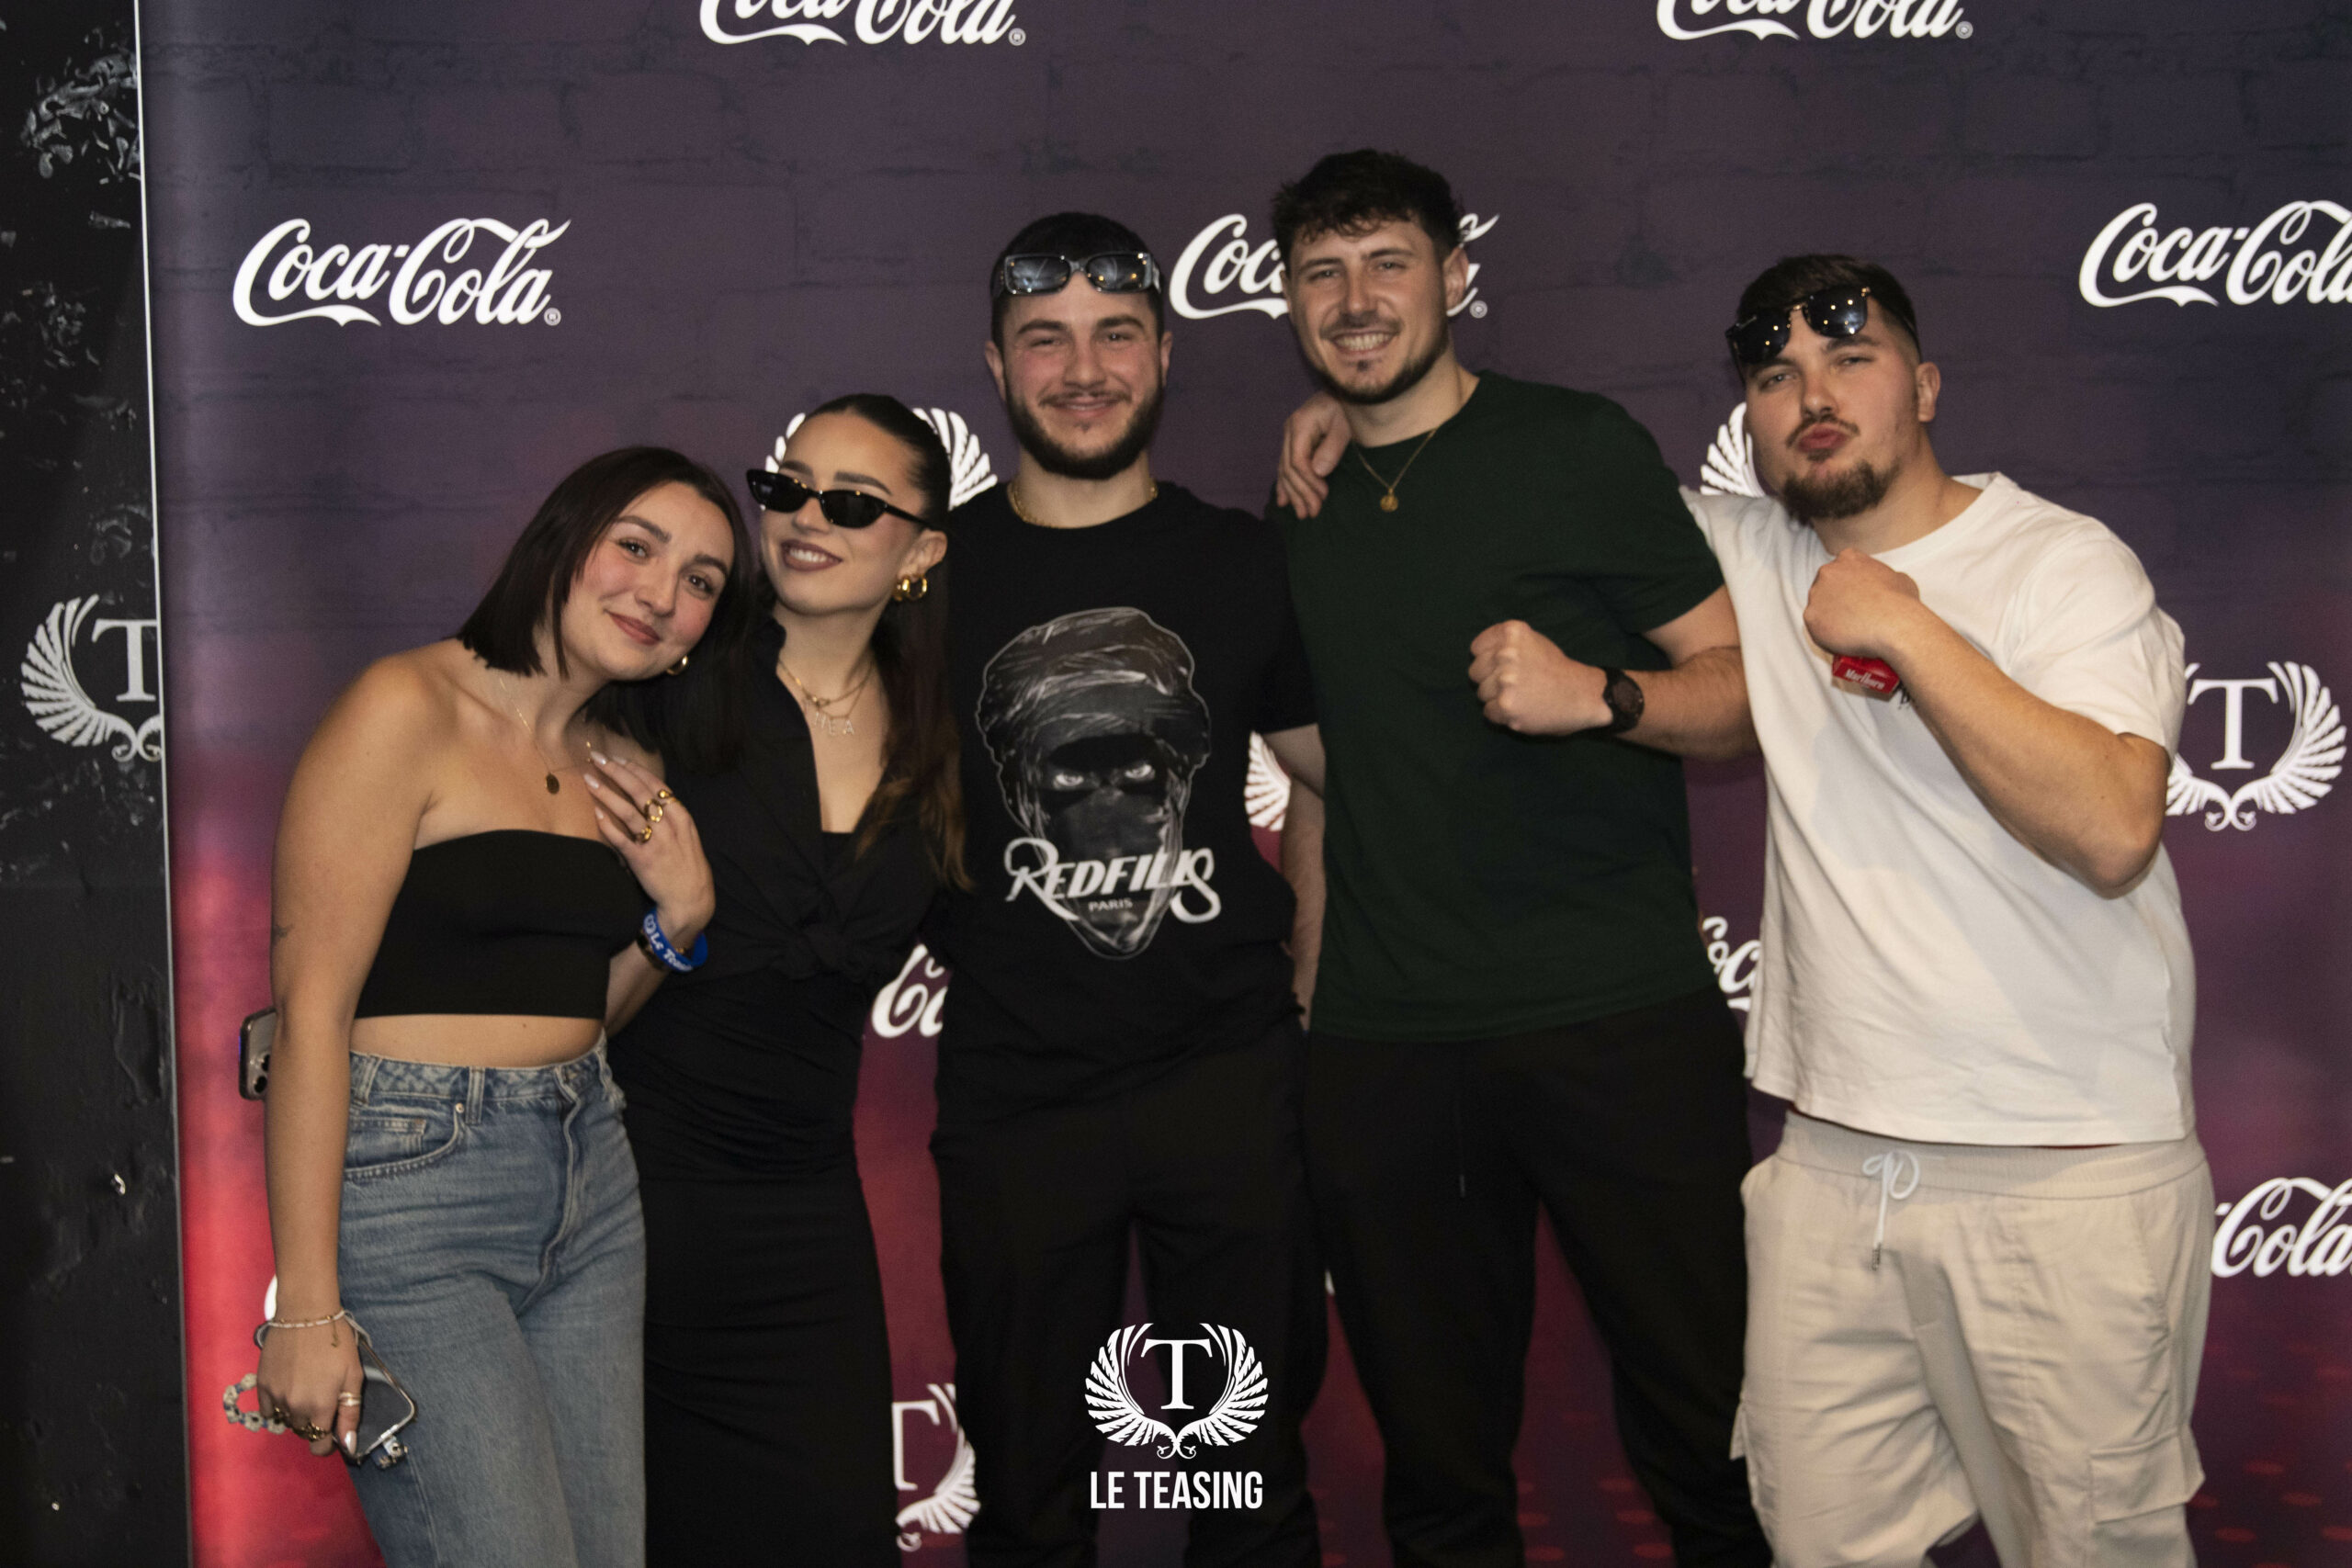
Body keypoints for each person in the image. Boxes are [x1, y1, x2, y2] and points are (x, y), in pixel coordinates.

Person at [1269, 150, 1770, 1568]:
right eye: (1322, 272)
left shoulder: (1574, 444)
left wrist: (1597, 693)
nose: (1356, 300)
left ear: (1456, 275)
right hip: (1387, 1045)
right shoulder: (1301, 497)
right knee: (1438, 1473)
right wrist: (1313, 982)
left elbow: (1742, 692)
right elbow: (1335, 767)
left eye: (1389, 262)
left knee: (1715, 1438)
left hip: (1615, 1019)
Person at [1688, 255, 2207, 1568]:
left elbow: (2113, 828)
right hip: (1832, 1171)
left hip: (2063, 1168)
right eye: (1775, 376)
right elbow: (1526, 483)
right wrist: (1358, 413)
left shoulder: (2058, 563)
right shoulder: (1743, 550)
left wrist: (1907, 630)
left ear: (1922, 386)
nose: (1813, 396)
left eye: (1849, 360)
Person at [255, 446, 748, 1568]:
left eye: (701, 582)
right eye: (637, 547)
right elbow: (309, 1013)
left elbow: (578, 1016)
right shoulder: (405, 706)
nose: (660, 594)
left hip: (589, 1174)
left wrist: (678, 918)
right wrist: (307, 1307)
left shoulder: (622, 761)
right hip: (412, 1192)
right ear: (562, 543)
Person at [927, 211, 1329, 1567]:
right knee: (1028, 1483)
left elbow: (1333, 777)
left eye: (1115, 335)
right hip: (1015, 1090)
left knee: (1243, 1479)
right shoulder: (926, 583)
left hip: (1225, 1075)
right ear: (998, 365)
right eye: (1046, 340)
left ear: (1164, 352)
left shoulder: (1242, 560)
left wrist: (1308, 988)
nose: (1084, 369)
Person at [604, 394, 956, 1566]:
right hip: (630, 1193)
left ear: (920, 551)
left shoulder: (940, 736)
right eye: (787, 488)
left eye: (852, 503)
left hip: (806, 1218)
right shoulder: (671, 681)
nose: (808, 517)